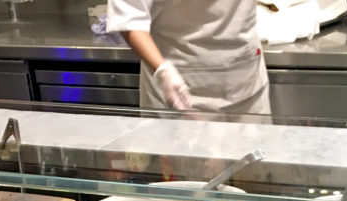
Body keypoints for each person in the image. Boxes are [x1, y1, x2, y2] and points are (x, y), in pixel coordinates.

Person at [106, 0, 271, 115]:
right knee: (184, 162)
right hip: (179, 85)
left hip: (246, 81)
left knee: (252, 161)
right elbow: (129, 19)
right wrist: (163, 70)